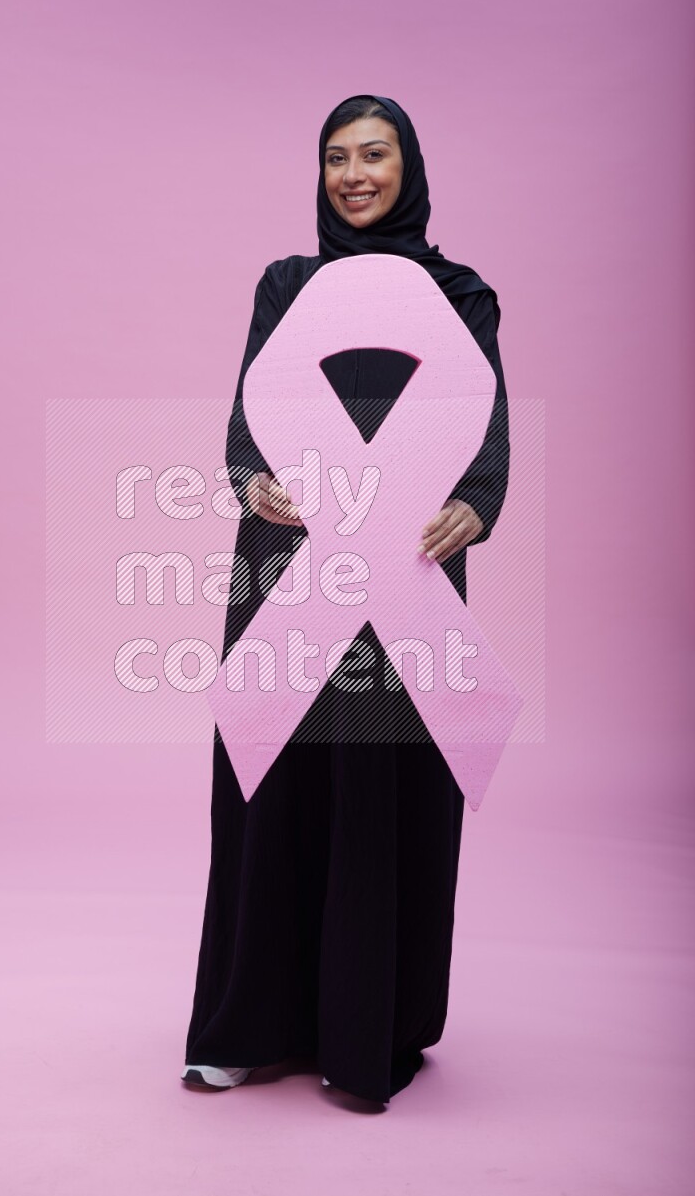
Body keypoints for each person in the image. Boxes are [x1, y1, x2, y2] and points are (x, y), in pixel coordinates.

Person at [181, 94, 510, 1103]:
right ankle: (245, 1024)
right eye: (335, 158)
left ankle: (367, 1035)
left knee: (380, 788)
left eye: (372, 155)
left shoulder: (460, 293)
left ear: (407, 165)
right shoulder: (285, 284)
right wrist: (250, 480)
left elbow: (483, 424)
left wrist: (475, 501)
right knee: (269, 783)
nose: (353, 175)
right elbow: (250, 414)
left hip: (403, 570)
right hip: (287, 563)